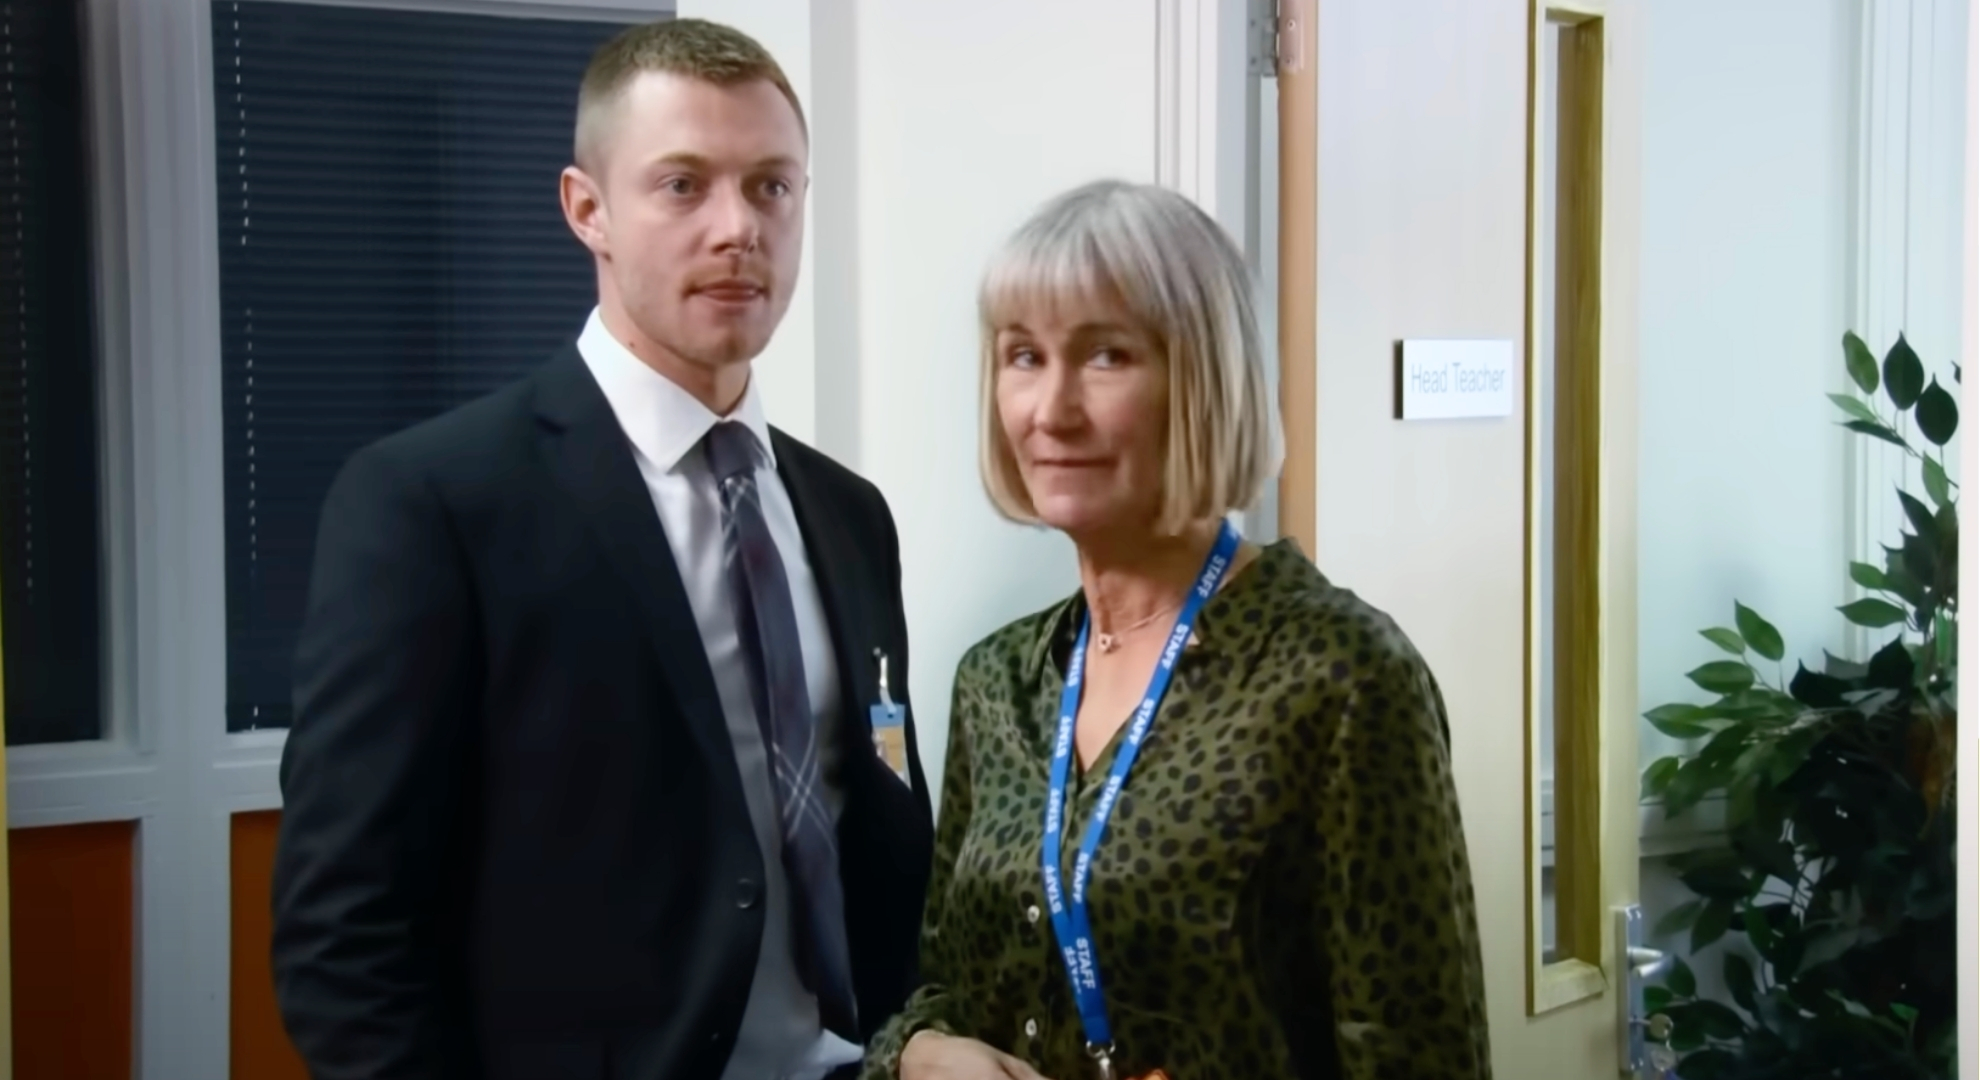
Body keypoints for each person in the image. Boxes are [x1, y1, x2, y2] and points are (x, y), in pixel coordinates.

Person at [270, 18, 934, 1080]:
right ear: (589, 210)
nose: (738, 230)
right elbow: (341, 935)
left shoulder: (849, 514)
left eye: (771, 187)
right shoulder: (434, 503)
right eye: (682, 185)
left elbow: (884, 838)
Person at [865, 180, 1492, 1080]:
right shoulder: (998, 681)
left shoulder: (1340, 676)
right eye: (1024, 357)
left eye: (1106, 356)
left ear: (1202, 378)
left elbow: (1423, 1058)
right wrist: (919, 1053)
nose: (1051, 409)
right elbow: (940, 985)